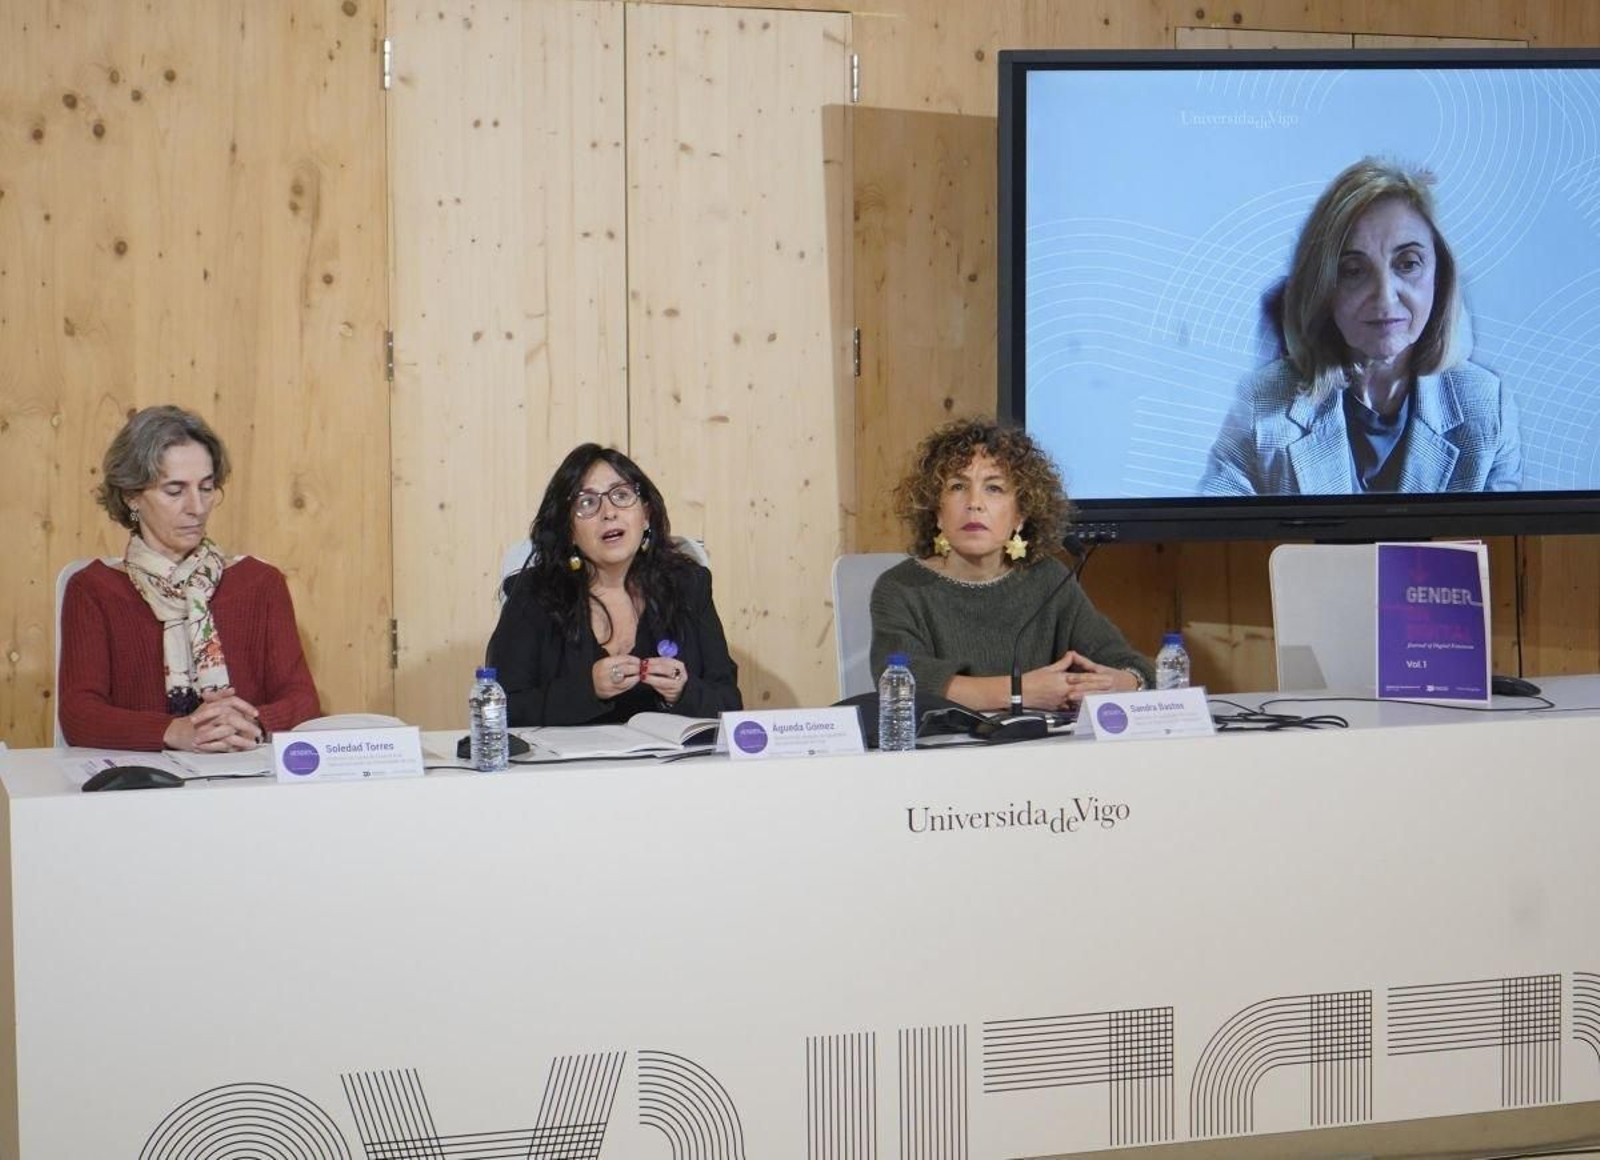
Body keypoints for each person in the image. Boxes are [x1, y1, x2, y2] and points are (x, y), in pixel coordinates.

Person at [1200, 158, 1521, 496]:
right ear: (1323, 287)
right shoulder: (1261, 403)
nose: (1384, 298)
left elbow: (1501, 546)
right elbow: (1217, 537)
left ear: (1439, 279)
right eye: (1353, 270)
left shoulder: (1486, 405)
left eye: (1408, 264)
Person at [58, 406, 321, 751]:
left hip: (247, 781)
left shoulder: (260, 582)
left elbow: (302, 700)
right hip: (139, 792)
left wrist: (252, 723)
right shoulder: (93, 589)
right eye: (174, 490)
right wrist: (174, 731)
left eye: (207, 487)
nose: (197, 507)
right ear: (131, 496)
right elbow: (80, 715)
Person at [870, 419, 1154, 713]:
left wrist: (1117, 684)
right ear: (937, 513)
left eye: (993, 488)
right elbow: (903, 685)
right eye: (957, 486)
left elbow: (1130, 665)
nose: (974, 503)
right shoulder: (901, 588)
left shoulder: (1048, 579)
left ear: (1020, 515)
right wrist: (1020, 693)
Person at [487, 443, 742, 726]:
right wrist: (588, 690)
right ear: (569, 530)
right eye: (587, 502)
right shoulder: (534, 594)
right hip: (573, 769)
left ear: (646, 515)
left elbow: (729, 703)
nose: (609, 512)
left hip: (672, 769)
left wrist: (683, 692)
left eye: (621, 495)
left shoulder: (689, 586)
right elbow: (500, 709)